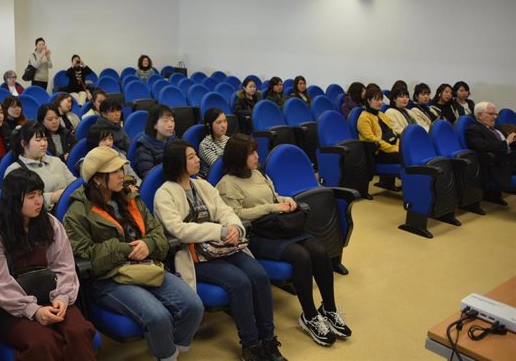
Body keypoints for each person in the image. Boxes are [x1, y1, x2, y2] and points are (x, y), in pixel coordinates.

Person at [64, 146, 204, 361]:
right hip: (110, 278)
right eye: (114, 171)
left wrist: (148, 245)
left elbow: (158, 233)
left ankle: (168, 351)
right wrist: (125, 249)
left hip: (147, 265)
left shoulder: (131, 197)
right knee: (158, 317)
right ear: (97, 180)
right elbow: (89, 257)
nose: (122, 174)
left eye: (122, 168)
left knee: (193, 306)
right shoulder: (77, 213)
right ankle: (166, 355)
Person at [154, 140, 286, 361]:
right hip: (194, 255)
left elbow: (225, 211)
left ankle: (268, 340)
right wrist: (219, 231)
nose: (198, 160)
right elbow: (179, 230)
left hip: (223, 247)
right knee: (240, 282)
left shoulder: (202, 185)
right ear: (178, 162)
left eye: (196, 155)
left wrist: (234, 227)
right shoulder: (164, 194)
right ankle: (251, 346)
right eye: (191, 157)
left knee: (260, 276)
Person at [217, 134, 351, 347]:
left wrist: (285, 200)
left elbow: (274, 196)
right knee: (301, 256)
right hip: (257, 235)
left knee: (319, 250)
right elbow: (236, 214)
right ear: (238, 156)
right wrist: (272, 207)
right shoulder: (227, 184)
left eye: (255, 151)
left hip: (278, 227)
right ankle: (309, 316)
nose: (256, 156)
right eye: (251, 153)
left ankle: (329, 309)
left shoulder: (259, 174)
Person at [0, 169, 96, 360]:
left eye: (39, 194)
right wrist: (34, 311)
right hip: (14, 308)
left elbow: (64, 266)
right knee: (42, 343)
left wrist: (62, 297)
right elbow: (1, 283)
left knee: (79, 332)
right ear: (13, 200)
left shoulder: (50, 223)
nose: (38, 201)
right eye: (31, 196)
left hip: (52, 297)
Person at [6, 121, 76, 212]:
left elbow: (74, 184)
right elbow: (18, 203)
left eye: (45, 139)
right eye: (38, 140)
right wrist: (52, 197)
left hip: (71, 208)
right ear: (24, 144)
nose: (43, 144)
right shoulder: (14, 171)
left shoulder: (56, 161)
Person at [466, 102, 516, 194]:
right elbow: (482, 146)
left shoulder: (497, 127)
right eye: (491, 114)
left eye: (495, 114)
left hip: (511, 160)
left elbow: (508, 144)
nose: (495, 117)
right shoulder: (474, 129)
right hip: (498, 164)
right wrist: (506, 142)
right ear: (480, 115)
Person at [357, 86, 400, 191]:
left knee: (409, 152)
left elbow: (393, 133)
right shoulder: (364, 118)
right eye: (376, 100)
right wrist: (394, 148)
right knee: (406, 157)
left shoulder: (382, 115)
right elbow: (374, 140)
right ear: (368, 101)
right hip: (377, 153)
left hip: (391, 148)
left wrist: (397, 145)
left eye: (381, 99)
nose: (380, 102)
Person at [134, 104, 177, 178]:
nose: (170, 125)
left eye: (172, 121)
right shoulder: (144, 148)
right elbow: (149, 177)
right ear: (154, 125)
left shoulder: (174, 140)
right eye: (165, 121)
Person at [198, 108, 229, 178]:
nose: (224, 125)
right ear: (209, 125)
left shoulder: (229, 139)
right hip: (217, 179)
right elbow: (219, 167)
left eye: (225, 121)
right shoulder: (205, 145)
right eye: (219, 122)